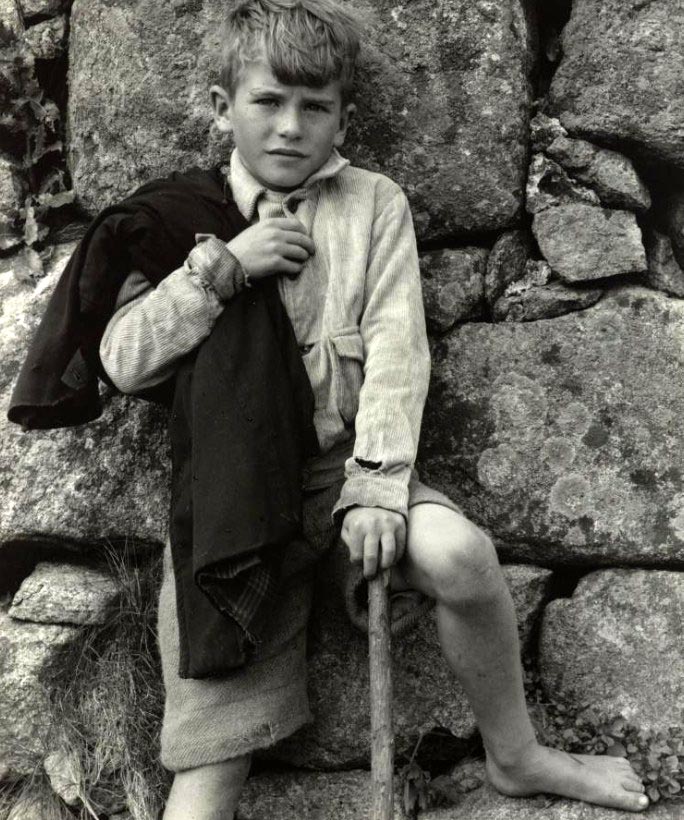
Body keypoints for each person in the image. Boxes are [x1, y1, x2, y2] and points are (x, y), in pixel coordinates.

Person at [98, 1, 650, 816]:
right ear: (223, 110)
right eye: (267, 102)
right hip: (231, 504)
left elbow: (397, 352)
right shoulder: (181, 218)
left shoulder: (372, 205)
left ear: (342, 117)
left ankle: (517, 755)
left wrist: (378, 486)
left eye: (314, 107)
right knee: (211, 764)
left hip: (344, 471)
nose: (290, 127)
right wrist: (221, 273)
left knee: (460, 555)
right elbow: (121, 358)